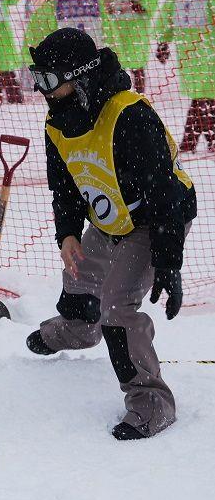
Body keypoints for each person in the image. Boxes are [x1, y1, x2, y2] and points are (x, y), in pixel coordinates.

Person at [25, 28, 196, 440]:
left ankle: (151, 403)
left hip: (155, 222)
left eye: (51, 80)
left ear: (80, 77)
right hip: (108, 218)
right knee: (80, 277)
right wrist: (67, 233)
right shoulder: (59, 121)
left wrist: (168, 263)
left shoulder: (130, 116)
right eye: (39, 79)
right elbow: (64, 186)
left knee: (117, 311)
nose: (42, 90)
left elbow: (166, 196)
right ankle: (78, 329)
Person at [155, 0, 215, 153]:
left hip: (188, 48)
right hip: (209, 46)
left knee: (202, 96)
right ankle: (206, 142)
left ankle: (189, 143)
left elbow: (167, 11)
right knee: (207, 97)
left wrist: (163, 40)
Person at [101, 0, 158, 94]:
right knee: (118, 66)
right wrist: (113, 6)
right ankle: (120, 95)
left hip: (138, 32)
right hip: (118, 32)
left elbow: (150, 3)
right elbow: (104, 4)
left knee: (138, 67)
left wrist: (132, 4)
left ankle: (140, 96)